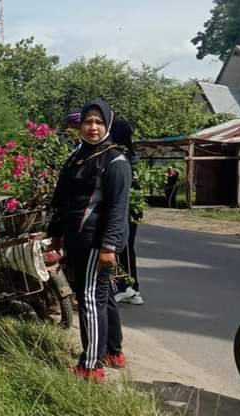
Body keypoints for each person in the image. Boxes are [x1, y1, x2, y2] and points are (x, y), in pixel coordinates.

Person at [48, 99, 132, 382]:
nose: (93, 127)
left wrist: (109, 246)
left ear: (107, 124)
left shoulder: (115, 160)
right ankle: (112, 352)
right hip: (77, 239)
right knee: (102, 296)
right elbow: (62, 201)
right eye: (88, 122)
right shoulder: (77, 158)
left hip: (97, 242)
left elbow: (118, 208)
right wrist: (56, 235)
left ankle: (91, 365)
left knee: (89, 299)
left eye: (98, 122)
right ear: (81, 125)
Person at [110, 119, 144, 306]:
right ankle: (125, 286)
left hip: (126, 208)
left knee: (123, 247)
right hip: (128, 207)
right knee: (122, 248)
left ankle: (131, 288)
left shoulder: (123, 156)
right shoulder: (130, 154)